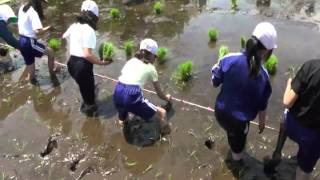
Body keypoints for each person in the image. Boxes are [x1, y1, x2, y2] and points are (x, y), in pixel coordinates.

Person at [211, 22, 277, 163]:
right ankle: (236, 162)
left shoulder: (228, 59)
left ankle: (232, 140)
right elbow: (262, 106)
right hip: (239, 122)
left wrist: (216, 68)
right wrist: (262, 122)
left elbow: (215, 82)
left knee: (231, 132)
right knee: (238, 150)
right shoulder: (264, 77)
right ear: (267, 51)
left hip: (220, 113)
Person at [269, 60, 320, 180]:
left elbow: (287, 101)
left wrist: (289, 84)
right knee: (304, 170)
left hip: (292, 126)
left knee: (285, 115)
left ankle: (277, 152)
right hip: (314, 139)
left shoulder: (312, 66)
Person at [63, 0, 112, 117]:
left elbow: (63, 36)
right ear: (95, 17)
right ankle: (90, 115)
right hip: (82, 67)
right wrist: (102, 63)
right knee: (90, 103)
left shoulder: (74, 25)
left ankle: (88, 95)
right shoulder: (89, 30)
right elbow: (87, 55)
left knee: (85, 87)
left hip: (71, 64)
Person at [113, 39, 172, 135]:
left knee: (123, 118)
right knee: (163, 113)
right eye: (155, 56)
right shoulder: (151, 68)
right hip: (132, 95)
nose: (155, 59)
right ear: (151, 55)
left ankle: (124, 127)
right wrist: (167, 98)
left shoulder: (131, 61)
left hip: (117, 92)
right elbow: (159, 94)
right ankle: (165, 133)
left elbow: (125, 77)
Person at [18, 0, 59, 84]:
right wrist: (49, 28)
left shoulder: (22, 8)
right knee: (50, 52)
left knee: (30, 63)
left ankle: (32, 81)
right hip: (29, 42)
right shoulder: (33, 12)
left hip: (21, 41)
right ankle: (52, 73)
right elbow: (38, 31)